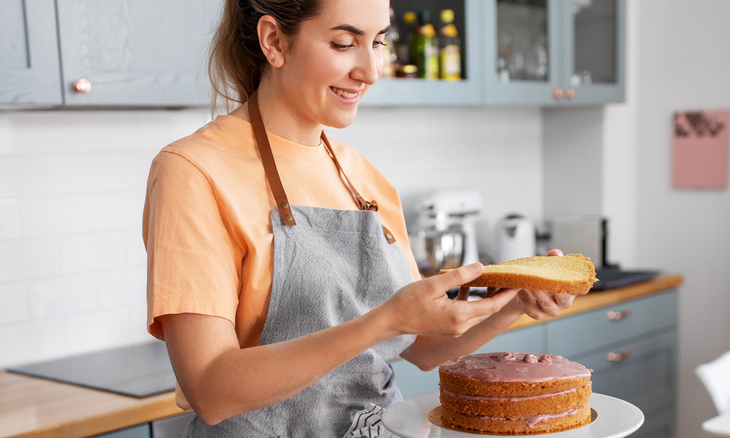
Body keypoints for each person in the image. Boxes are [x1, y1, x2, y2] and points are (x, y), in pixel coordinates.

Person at [142, 0, 583, 436]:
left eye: (378, 42)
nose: (370, 71)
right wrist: (385, 320)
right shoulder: (194, 170)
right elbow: (210, 390)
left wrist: (512, 305)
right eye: (343, 43)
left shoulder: (364, 178)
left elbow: (422, 347)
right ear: (274, 41)